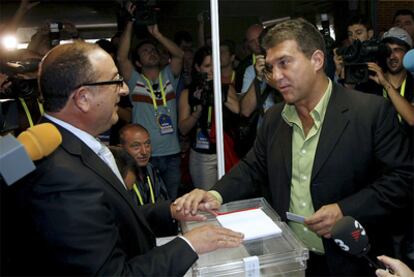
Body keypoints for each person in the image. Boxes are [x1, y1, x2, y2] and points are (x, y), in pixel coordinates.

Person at [174, 18, 413, 276]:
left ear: (317, 60)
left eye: (285, 63)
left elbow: (402, 179)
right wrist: (215, 195)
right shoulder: (275, 119)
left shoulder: (369, 112)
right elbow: (252, 167)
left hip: (354, 261)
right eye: (271, 67)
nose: (276, 77)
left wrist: (345, 210)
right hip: (294, 260)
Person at [4, 41, 244, 276]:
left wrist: (169, 210)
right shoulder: (62, 179)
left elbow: (110, 216)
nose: (125, 90)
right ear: (83, 97)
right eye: (115, 81)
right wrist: (189, 245)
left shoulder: (69, 143)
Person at [117, 2, 183, 199]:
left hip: (172, 153)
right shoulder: (135, 80)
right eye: (145, 51)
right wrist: (130, 22)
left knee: (171, 200)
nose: (151, 52)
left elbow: (178, 55)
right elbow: (121, 58)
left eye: (153, 50)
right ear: (138, 62)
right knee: (147, 199)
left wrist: (157, 35)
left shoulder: (168, 75)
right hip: (146, 154)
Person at [178, 46, 240, 190]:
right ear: (198, 68)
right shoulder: (188, 93)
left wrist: (216, 90)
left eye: (215, 65)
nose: (212, 69)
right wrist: (197, 112)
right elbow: (183, 129)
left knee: (230, 197)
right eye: (207, 66)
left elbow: (237, 110)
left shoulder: (226, 88)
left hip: (226, 151)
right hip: (202, 155)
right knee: (207, 201)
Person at [119, 123, 170, 205]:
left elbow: (163, 201)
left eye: (147, 144)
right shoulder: (118, 176)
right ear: (121, 148)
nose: (144, 151)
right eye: (136, 146)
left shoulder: (151, 169)